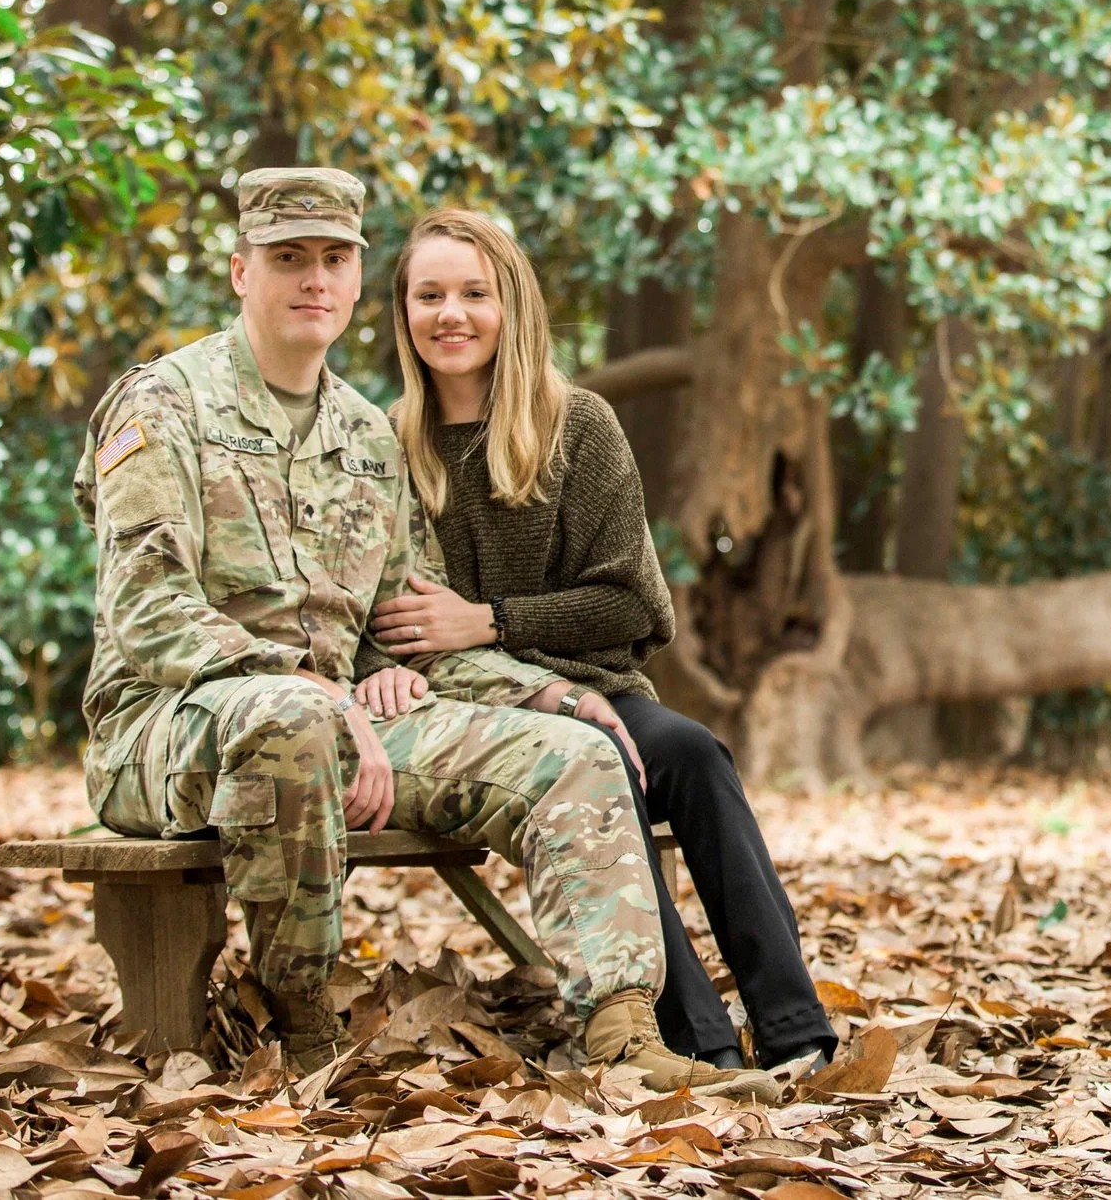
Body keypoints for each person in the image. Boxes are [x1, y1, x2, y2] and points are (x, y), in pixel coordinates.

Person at [74, 167, 751, 1090]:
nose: (313, 278)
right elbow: (147, 610)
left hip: (346, 725)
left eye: (333, 259)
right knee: (289, 724)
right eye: (287, 258)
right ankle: (299, 1021)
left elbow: (403, 624)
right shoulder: (164, 404)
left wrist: (548, 691)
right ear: (242, 272)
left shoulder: (365, 436)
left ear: (357, 282)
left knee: (573, 745)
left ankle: (626, 1039)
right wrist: (314, 688)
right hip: (169, 725)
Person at [356, 208, 836, 1072]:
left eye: (474, 292)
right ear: (403, 314)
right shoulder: (384, 449)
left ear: (513, 306)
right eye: (428, 295)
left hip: (600, 687)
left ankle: (799, 1032)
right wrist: (386, 665)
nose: (450, 314)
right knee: (599, 770)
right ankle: (702, 1047)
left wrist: (491, 618)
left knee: (693, 753)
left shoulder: (577, 425)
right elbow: (365, 603)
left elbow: (638, 607)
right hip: (479, 717)